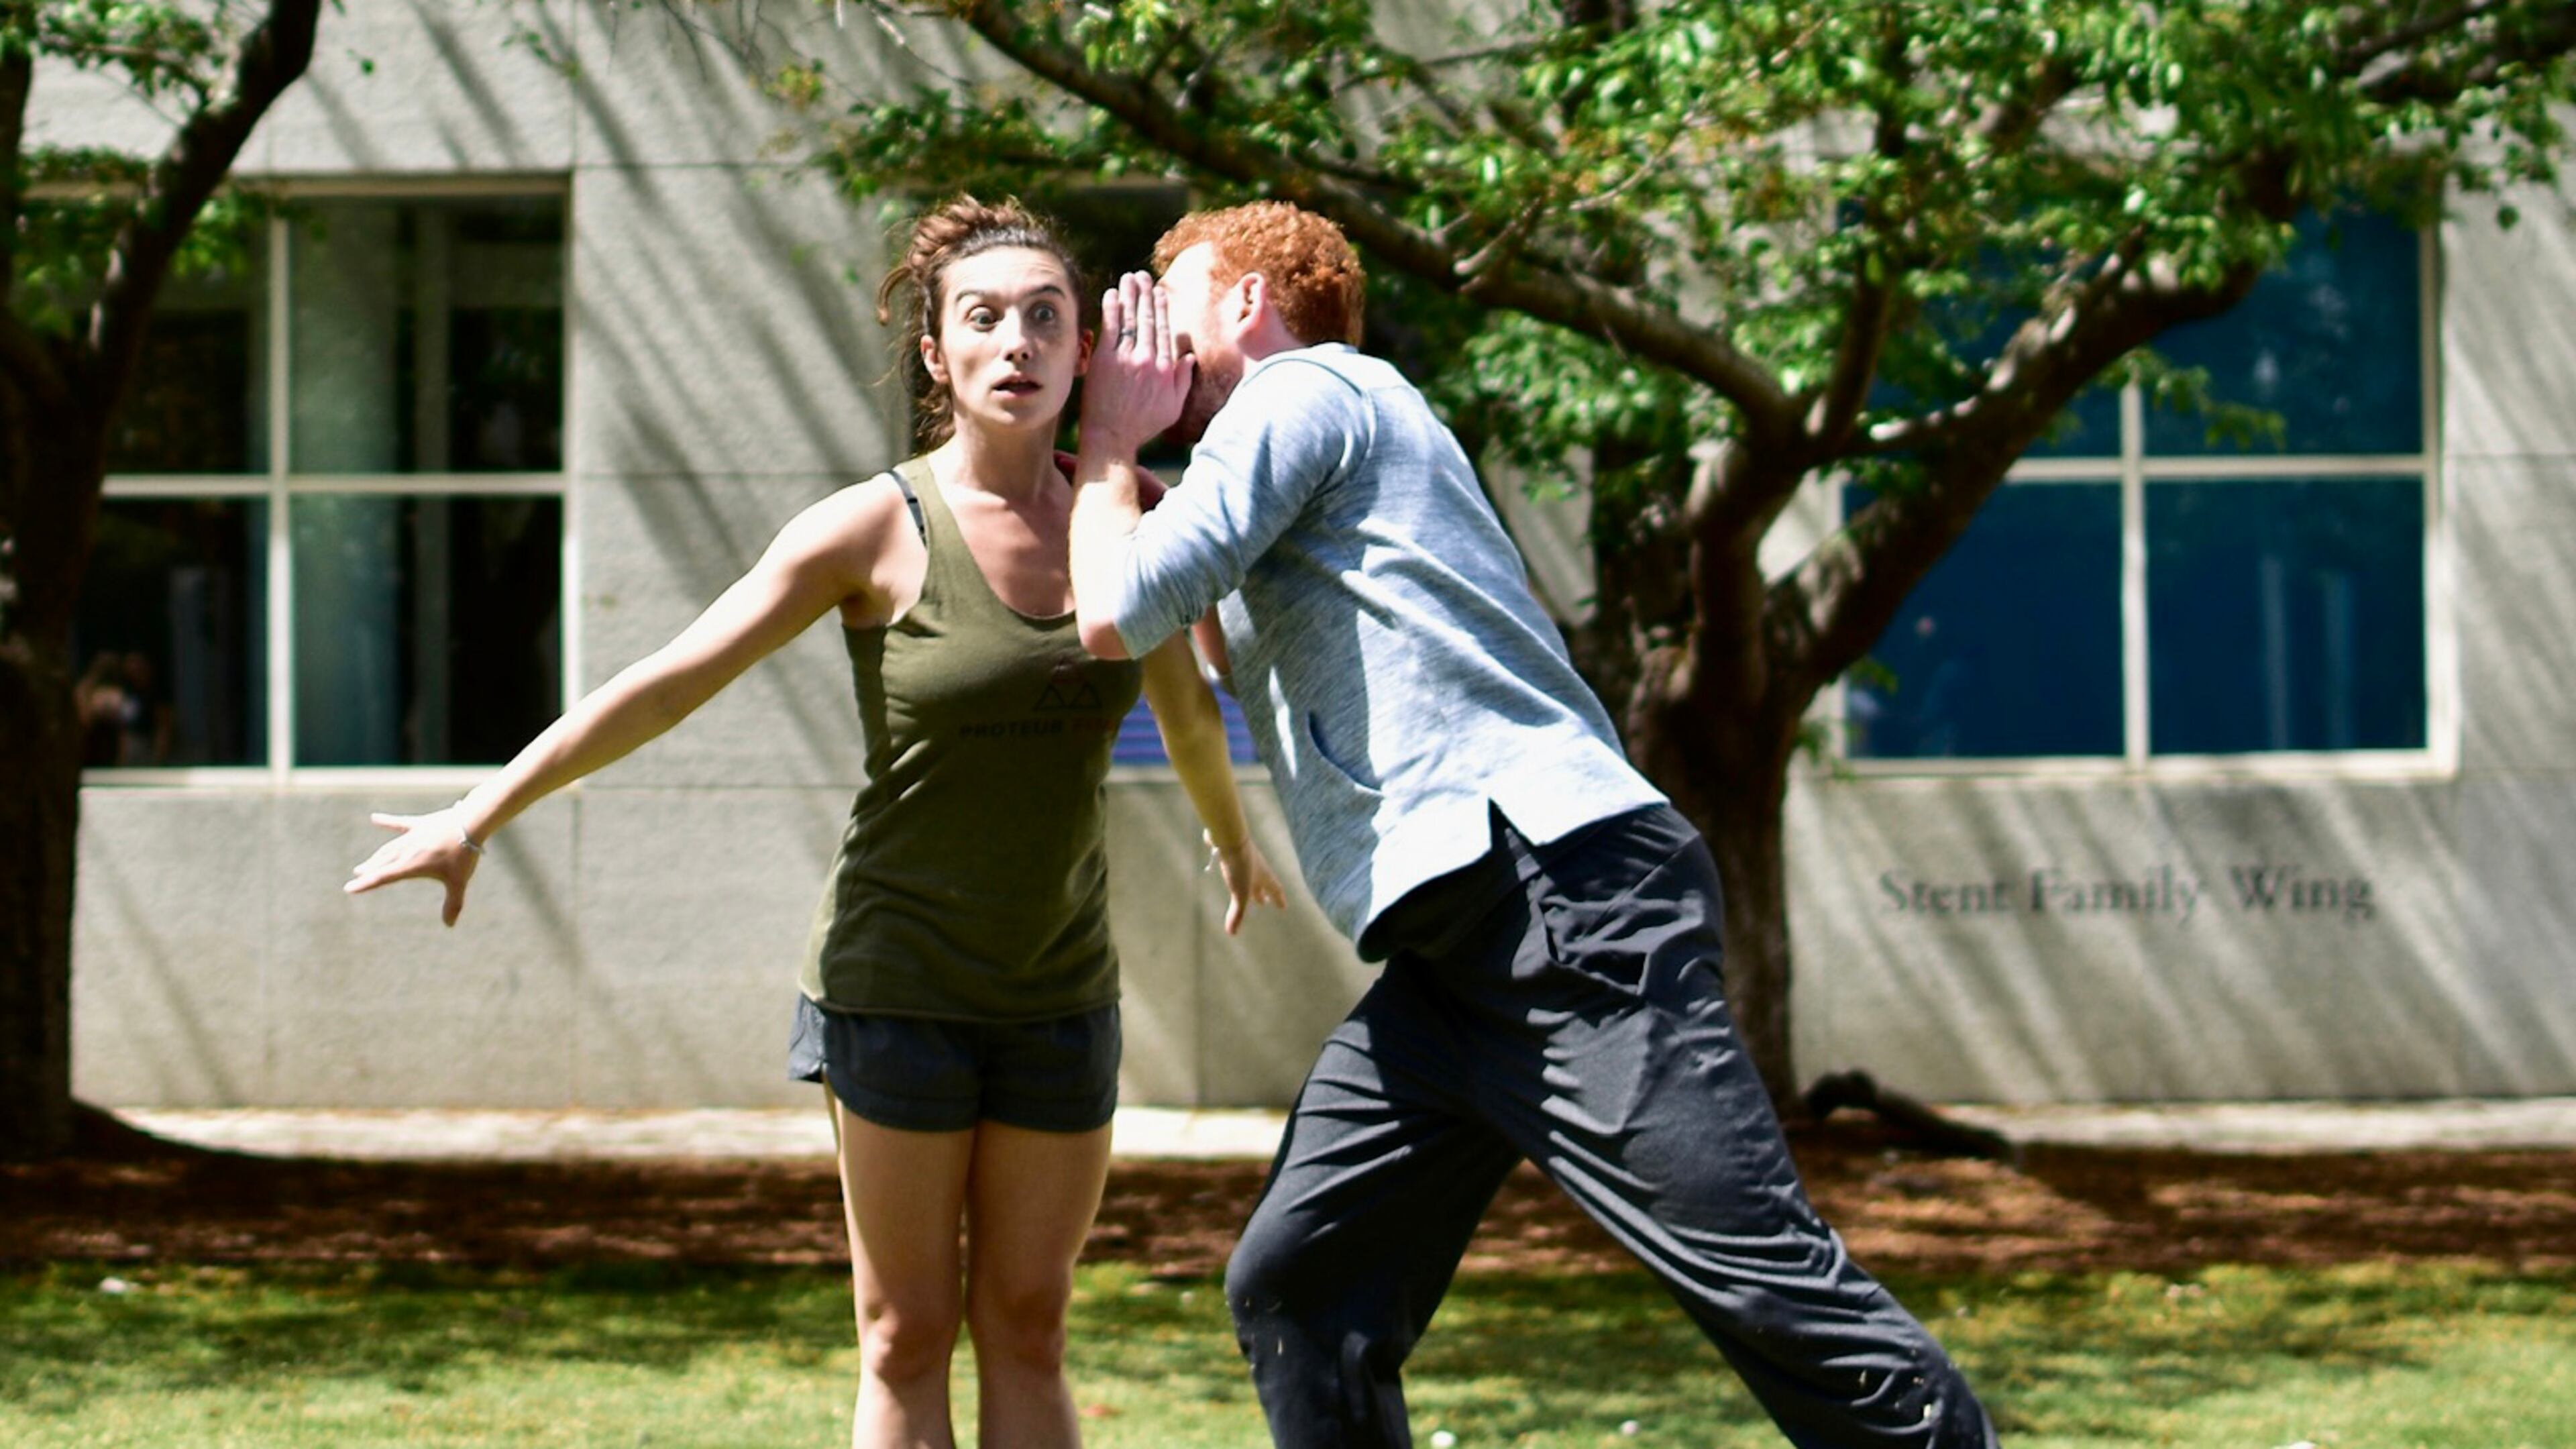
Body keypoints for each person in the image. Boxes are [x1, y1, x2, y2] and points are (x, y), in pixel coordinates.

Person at [346, 196, 1285, 1449]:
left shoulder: (1132, 517)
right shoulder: (873, 529)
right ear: (939, 355)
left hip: (1061, 992)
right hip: (892, 986)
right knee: (903, 1336)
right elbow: (668, 682)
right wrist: (480, 811)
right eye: (984, 318)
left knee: (1030, 1324)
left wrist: (1231, 838)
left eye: (1046, 318)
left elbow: (1183, 708)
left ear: (1086, 354)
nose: (1017, 341)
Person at [1065, 201, 1998, 1448]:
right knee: (1303, 1282)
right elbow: (1212, 644)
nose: (1142, 340)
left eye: (1162, 303)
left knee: (1763, 1281)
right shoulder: (1302, 463)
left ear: (1248, 305)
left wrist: (1109, 446)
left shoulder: (1306, 391)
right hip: (1454, 959)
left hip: (1561, 906)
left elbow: (1113, 609)